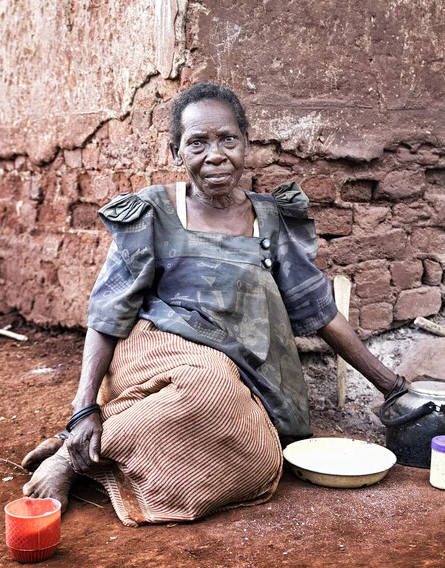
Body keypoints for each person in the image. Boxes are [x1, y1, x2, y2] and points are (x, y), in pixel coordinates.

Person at [22, 83, 403, 527]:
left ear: (246, 144)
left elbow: (318, 309)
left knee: (261, 454)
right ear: (176, 153)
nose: (216, 154)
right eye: (197, 143)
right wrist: (82, 407)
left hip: (245, 368)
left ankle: (98, 441)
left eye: (228, 139)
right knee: (209, 385)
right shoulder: (151, 212)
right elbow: (107, 316)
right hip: (156, 347)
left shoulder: (272, 218)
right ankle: (74, 455)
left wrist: (391, 385)